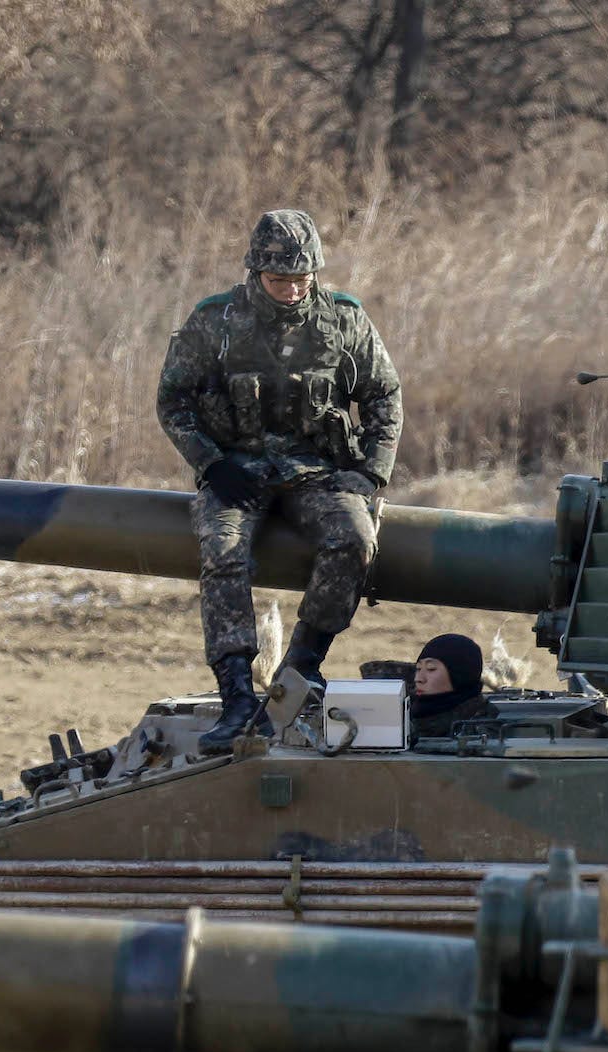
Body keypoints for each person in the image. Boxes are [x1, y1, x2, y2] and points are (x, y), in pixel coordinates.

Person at [157, 209, 403, 753]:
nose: (292, 290)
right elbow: (173, 399)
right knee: (222, 550)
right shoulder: (215, 322)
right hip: (237, 472)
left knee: (356, 540)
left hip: (317, 473)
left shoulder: (344, 320)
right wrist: (210, 463)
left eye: (302, 278)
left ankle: (301, 669)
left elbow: (385, 393)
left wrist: (369, 472)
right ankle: (238, 694)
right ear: (255, 272)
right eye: (279, 280)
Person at [411, 633, 493, 738]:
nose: (418, 679)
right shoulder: (406, 716)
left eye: (431, 669)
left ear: (459, 675)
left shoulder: (485, 727)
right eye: (418, 669)